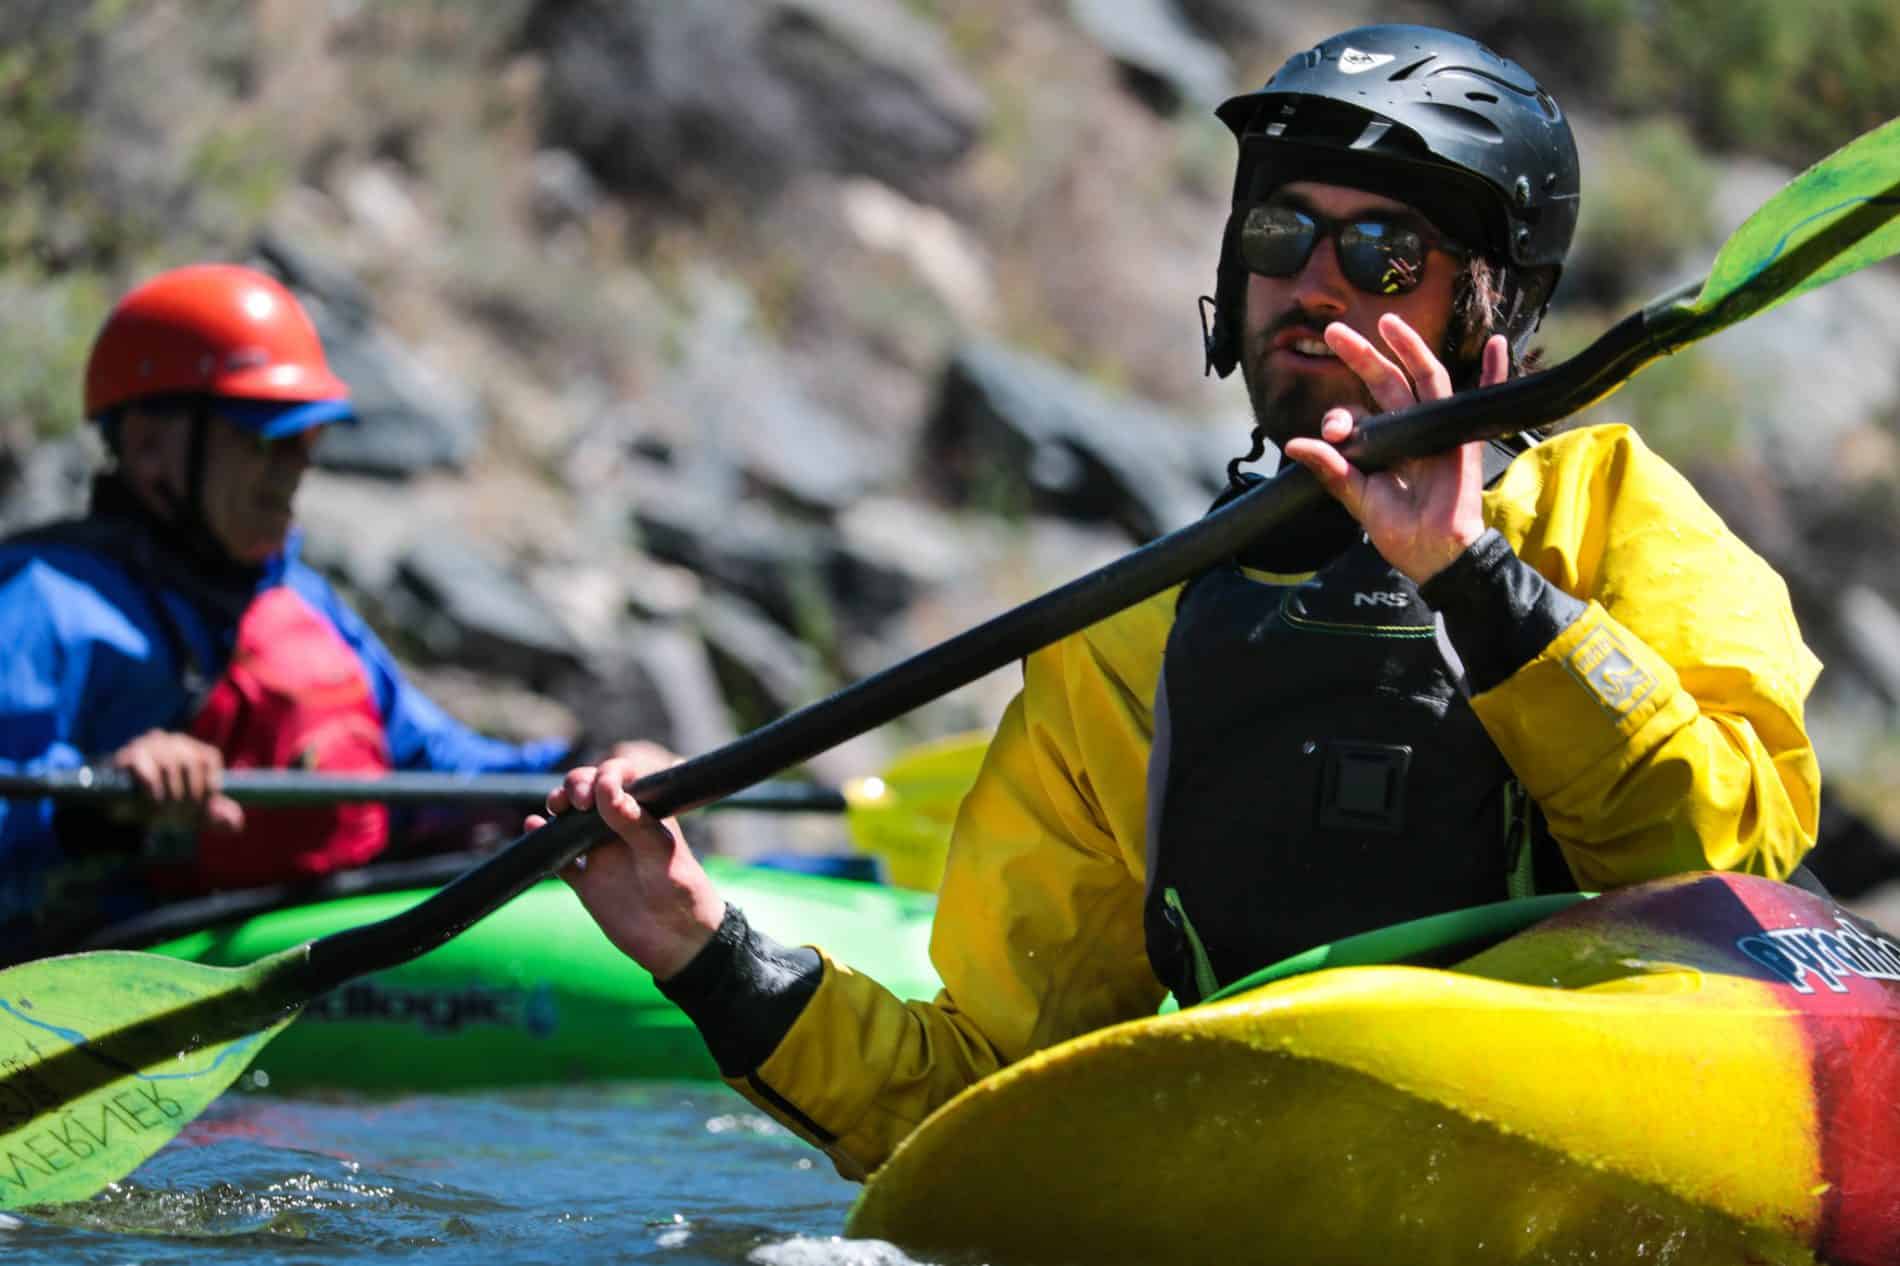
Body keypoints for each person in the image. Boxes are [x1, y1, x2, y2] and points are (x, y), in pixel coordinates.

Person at [536, 25, 1823, 1178]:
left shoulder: (1613, 514)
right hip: (1289, 1171)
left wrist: (1473, 580)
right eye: (1280, 235)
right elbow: (978, 1095)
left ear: (1492, 301)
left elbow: (1724, 868)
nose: (1315, 281)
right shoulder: (1131, 632)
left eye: (1382, 250)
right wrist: (705, 953)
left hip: (1583, 1148)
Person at [0, 262, 575, 960]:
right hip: (94, 973)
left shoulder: (296, 597)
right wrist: (102, 797)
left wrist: (586, 773)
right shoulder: (44, 604)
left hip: (299, 950)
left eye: (305, 444)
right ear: (151, 444)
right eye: (262, 441)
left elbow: (434, 765)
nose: (293, 473)